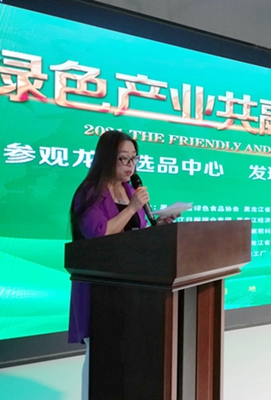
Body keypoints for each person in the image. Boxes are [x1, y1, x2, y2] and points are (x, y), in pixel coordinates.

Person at [67, 130, 175, 400]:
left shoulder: (129, 190)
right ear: (106, 159)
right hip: (100, 289)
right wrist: (132, 208)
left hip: (131, 288)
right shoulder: (89, 192)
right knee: (100, 356)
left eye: (134, 158)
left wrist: (158, 226)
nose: (130, 165)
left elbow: (133, 234)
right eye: (123, 159)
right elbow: (99, 234)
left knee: (126, 354)